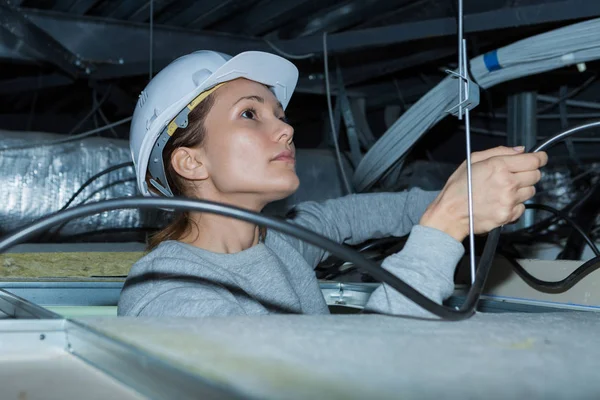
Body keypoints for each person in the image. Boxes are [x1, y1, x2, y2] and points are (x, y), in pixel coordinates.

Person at [118, 50, 547, 318]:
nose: (285, 130)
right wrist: (447, 222)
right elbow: (355, 375)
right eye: (250, 114)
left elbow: (352, 216)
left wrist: (470, 194)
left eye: (280, 116)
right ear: (191, 161)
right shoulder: (173, 297)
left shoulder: (278, 245)